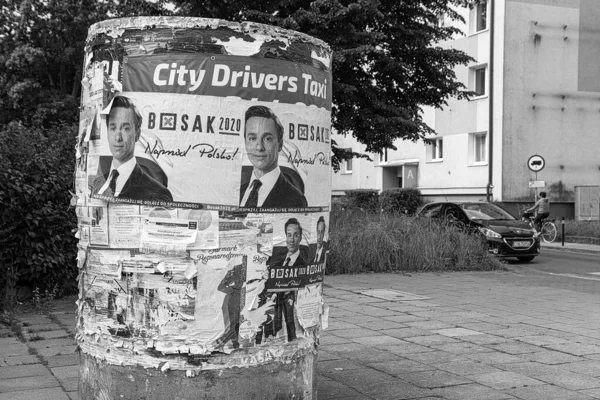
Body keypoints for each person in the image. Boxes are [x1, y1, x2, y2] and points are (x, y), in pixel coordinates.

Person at [91, 96, 173, 202]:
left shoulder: (158, 193)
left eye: (125, 128)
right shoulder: (97, 183)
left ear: (137, 134)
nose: (117, 137)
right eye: (113, 128)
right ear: (107, 133)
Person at [239, 106, 308, 208]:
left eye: (267, 139)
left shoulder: (296, 199)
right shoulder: (238, 192)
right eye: (252, 138)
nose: (259, 147)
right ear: (245, 143)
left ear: (280, 144)